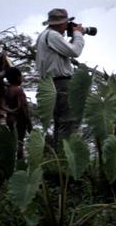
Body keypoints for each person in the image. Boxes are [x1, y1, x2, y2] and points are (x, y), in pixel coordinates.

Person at [35, 8, 87, 144]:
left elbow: (64, 51)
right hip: (61, 82)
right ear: (61, 23)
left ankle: (59, 155)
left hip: (52, 82)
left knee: (60, 122)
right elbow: (75, 51)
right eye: (67, 23)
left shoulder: (44, 35)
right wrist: (78, 34)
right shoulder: (53, 35)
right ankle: (67, 157)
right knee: (69, 121)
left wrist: (73, 37)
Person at [0, 67, 31, 159]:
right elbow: (23, 107)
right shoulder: (18, 90)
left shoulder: (6, 90)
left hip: (9, 119)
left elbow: (2, 106)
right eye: (21, 76)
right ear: (18, 77)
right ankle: (19, 162)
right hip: (19, 120)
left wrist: (10, 111)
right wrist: (29, 122)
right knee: (20, 142)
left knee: (12, 142)